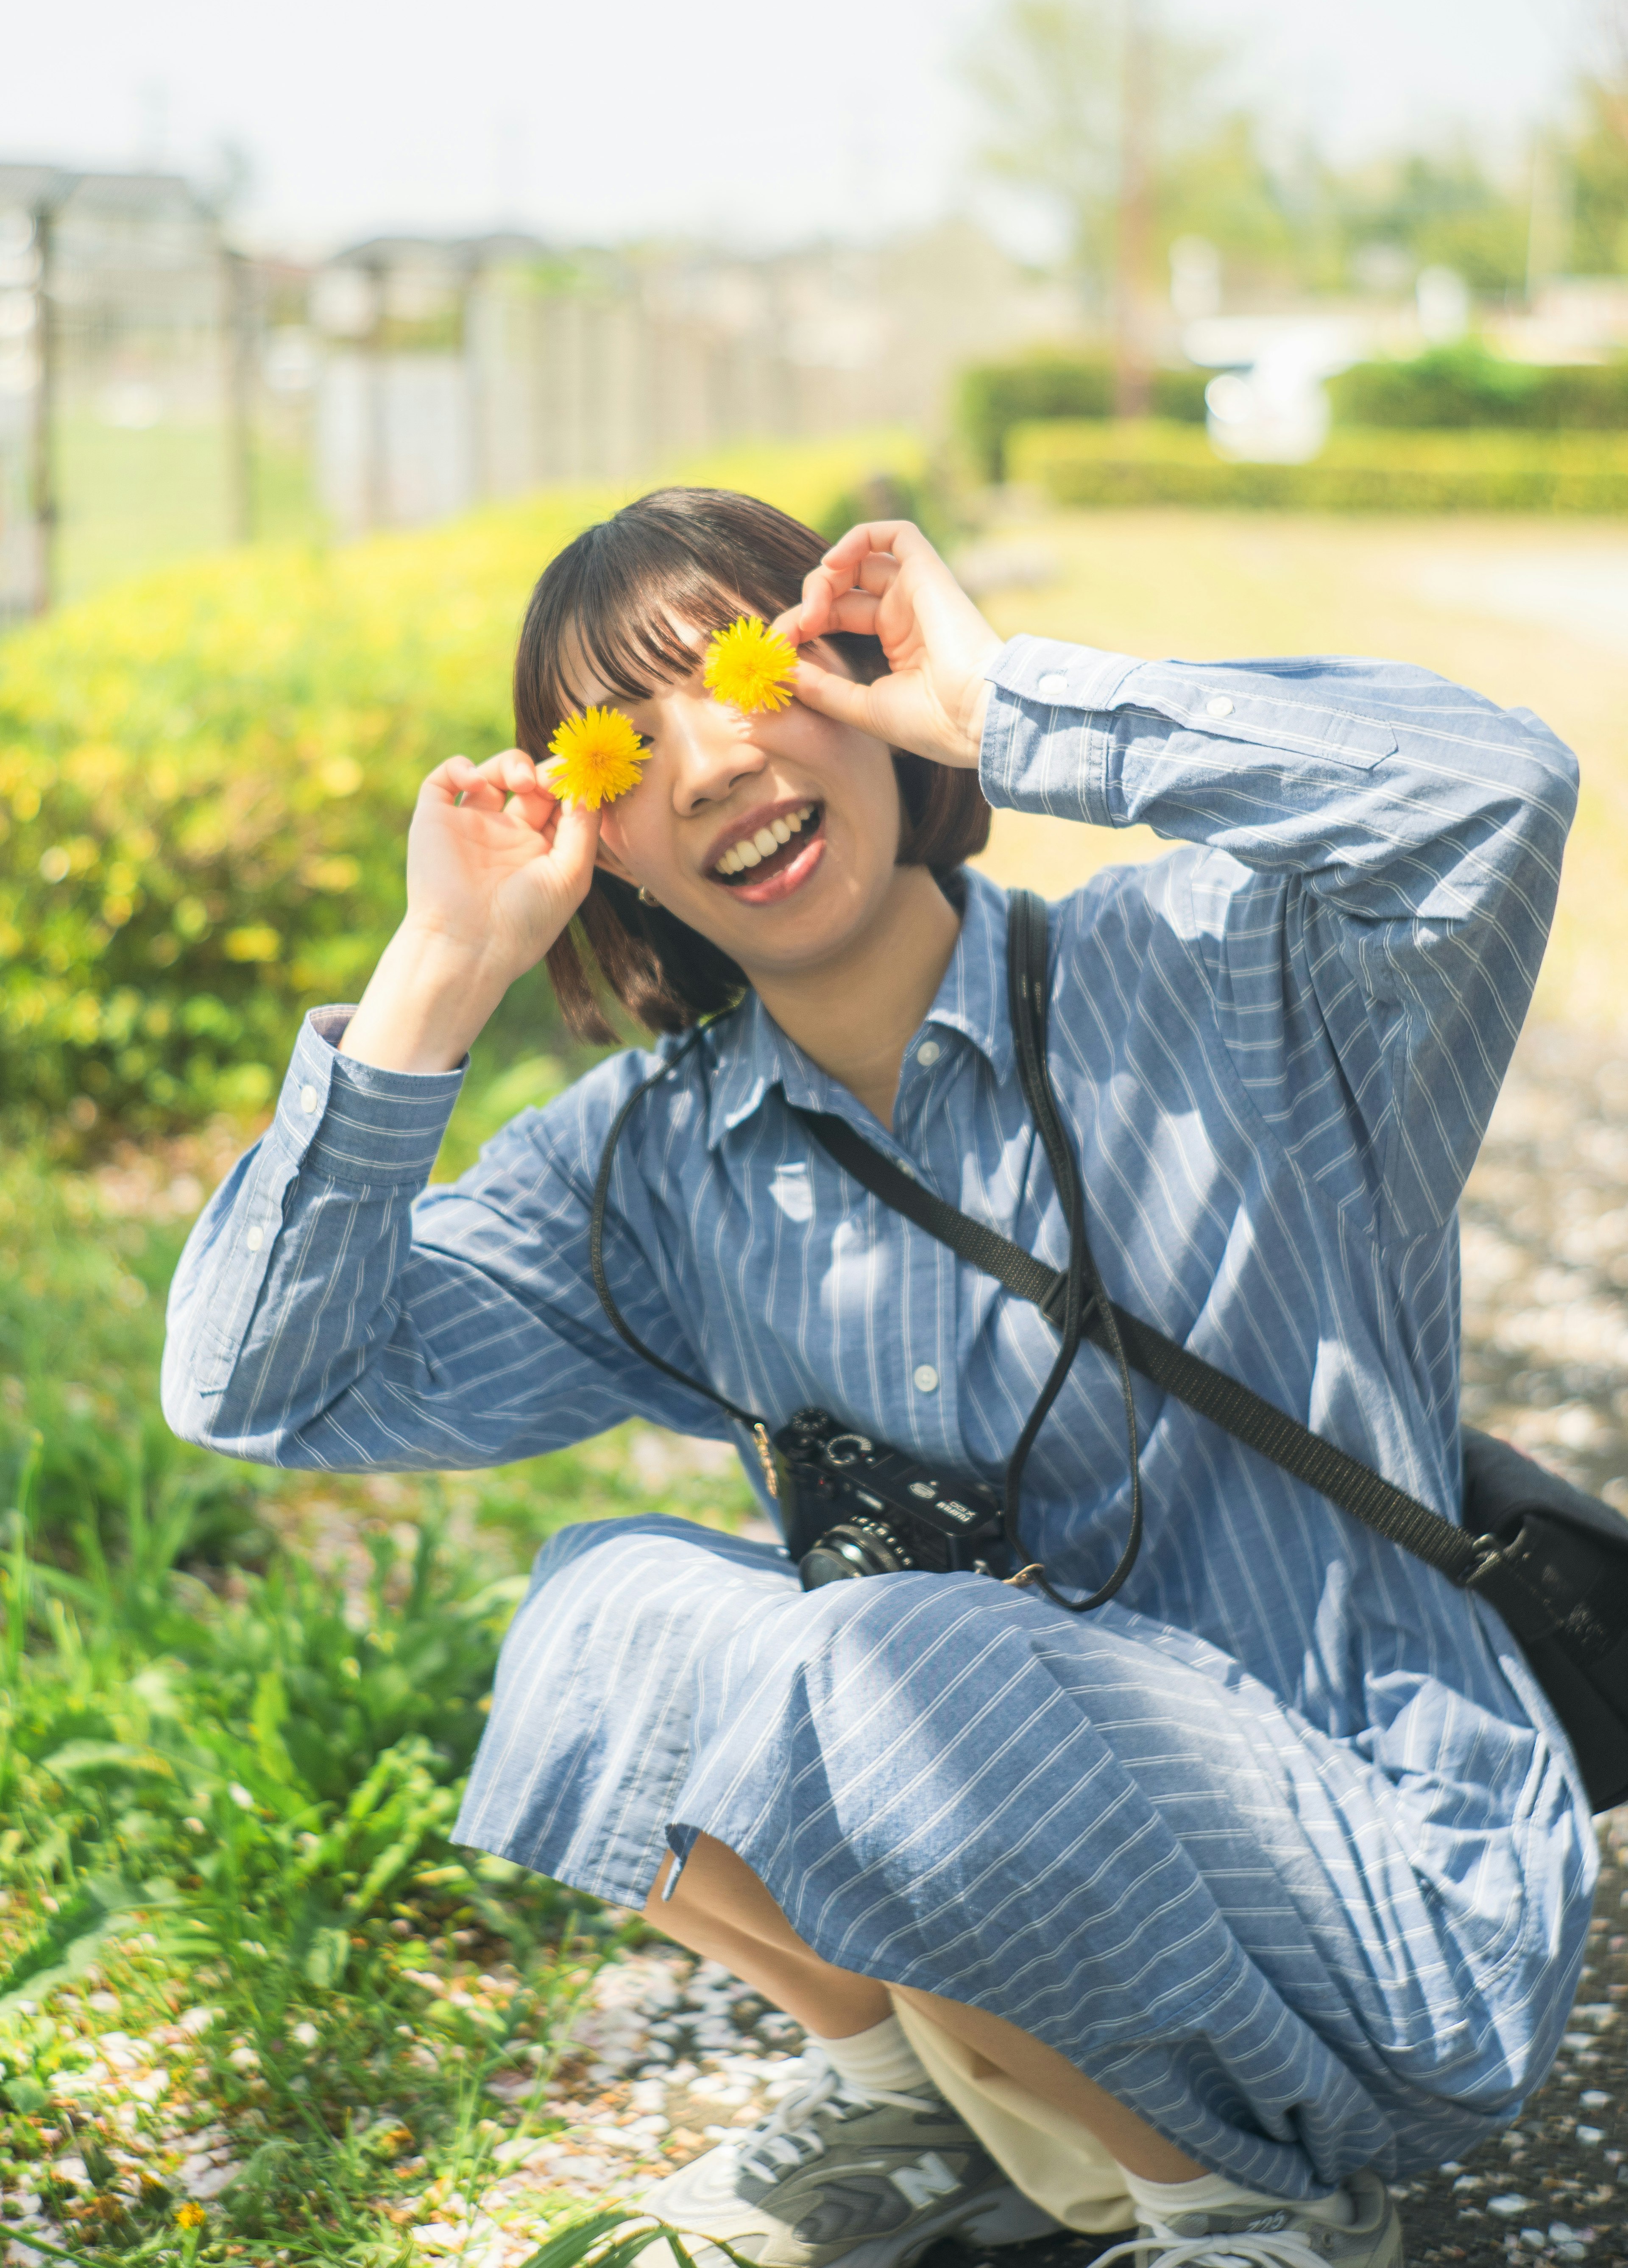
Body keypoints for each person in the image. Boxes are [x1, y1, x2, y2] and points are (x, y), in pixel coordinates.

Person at [164, 490, 1595, 2268]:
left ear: (866, 670)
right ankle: (922, 2114)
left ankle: (1249, 2216)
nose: (705, 765)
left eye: (753, 670)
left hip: (1385, 1918)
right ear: (598, 834)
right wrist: (437, 972)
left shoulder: (1234, 983)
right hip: (1016, 1923)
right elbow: (261, 1387)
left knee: (905, 1650)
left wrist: (1014, 707)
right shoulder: (656, 1171)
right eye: (624, 740)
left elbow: (1491, 790)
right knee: (607, 1611)